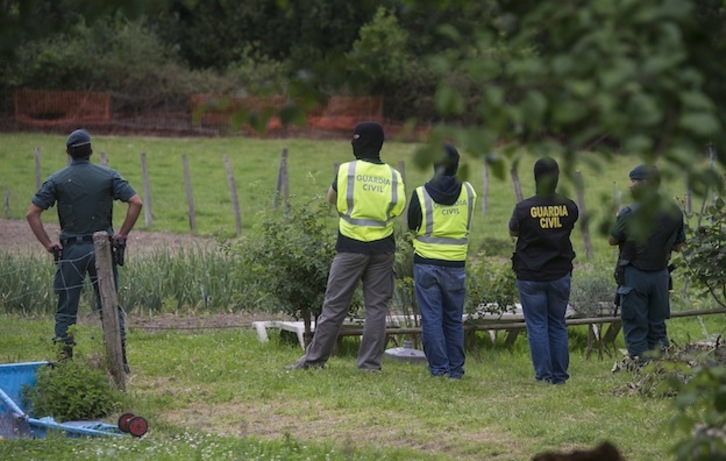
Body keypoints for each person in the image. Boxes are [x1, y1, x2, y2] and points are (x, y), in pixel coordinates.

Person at [287, 121, 406, 372]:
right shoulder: (394, 176)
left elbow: (331, 199)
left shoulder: (346, 171)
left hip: (350, 247)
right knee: (376, 309)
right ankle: (370, 365)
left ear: (358, 143)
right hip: (383, 249)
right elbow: (398, 208)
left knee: (334, 305)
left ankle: (315, 360)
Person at [26, 128, 142, 372]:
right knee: (109, 304)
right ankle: (120, 362)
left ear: (69, 153)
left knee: (66, 307)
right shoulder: (108, 175)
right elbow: (136, 202)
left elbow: (32, 213)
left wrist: (49, 244)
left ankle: (65, 362)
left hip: (70, 252)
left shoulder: (57, 180)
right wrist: (121, 234)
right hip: (102, 249)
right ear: (90, 150)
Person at [407, 143, 476, 379]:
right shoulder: (469, 192)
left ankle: (438, 368)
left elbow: (412, 225)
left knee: (432, 318)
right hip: (456, 265)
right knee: (453, 319)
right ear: (457, 165)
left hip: (426, 263)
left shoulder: (420, 194)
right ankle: (456, 370)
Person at [508, 156, 579, 384]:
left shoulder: (524, 208)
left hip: (530, 275)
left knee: (537, 325)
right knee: (557, 323)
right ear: (557, 178)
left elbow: (513, 232)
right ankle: (560, 375)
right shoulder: (569, 207)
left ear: (535, 178)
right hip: (559, 273)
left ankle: (544, 375)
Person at [608, 164, 685, 360]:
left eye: (634, 181)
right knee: (657, 325)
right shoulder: (674, 211)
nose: (630, 185)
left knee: (635, 324)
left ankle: (641, 369)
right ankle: (661, 368)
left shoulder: (629, 212)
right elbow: (679, 245)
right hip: (660, 274)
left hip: (635, 274)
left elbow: (612, 240)